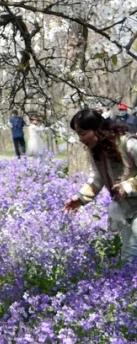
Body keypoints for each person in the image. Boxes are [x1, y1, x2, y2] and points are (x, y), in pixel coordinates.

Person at [65, 109, 137, 266]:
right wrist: (80, 198)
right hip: (125, 208)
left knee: (131, 253)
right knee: (127, 256)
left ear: (97, 128)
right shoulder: (96, 151)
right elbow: (97, 179)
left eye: (83, 133)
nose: (81, 139)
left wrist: (129, 185)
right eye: (78, 135)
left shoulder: (129, 144)